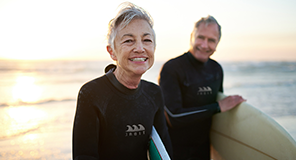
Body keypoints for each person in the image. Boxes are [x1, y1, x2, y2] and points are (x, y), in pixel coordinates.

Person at [72, 2, 172, 160]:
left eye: (147, 40)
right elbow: (84, 156)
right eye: (128, 41)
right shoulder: (91, 93)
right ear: (112, 52)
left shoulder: (154, 93)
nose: (140, 48)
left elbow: (164, 150)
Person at [158, 15, 246, 160]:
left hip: (203, 151)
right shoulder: (172, 68)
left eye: (211, 40)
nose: (205, 45)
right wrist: (217, 107)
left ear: (218, 43)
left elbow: (217, 119)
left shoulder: (216, 70)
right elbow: (174, 117)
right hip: (174, 151)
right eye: (200, 37)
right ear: (192, 37)